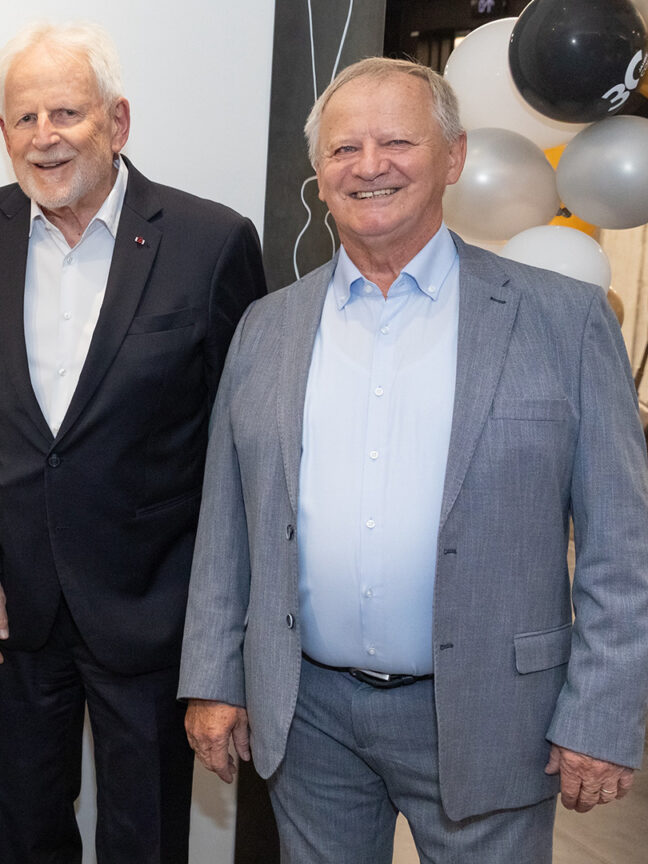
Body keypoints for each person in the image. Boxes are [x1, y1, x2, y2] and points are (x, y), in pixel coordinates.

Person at [180, 57, 648, 863]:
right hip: (310, 718)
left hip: (495, 716)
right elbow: (228, 522)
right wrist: (215, 679)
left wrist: (601, 714)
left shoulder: (563, 322)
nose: (369, 166)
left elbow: (622, 546)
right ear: (319, 175)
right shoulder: (267, 327)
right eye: (343, 149)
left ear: (454, 157)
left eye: (397, 141)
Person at [0, 22, 266, 863]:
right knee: (27, 832)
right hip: (19, 611)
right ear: (3, 132)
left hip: (154, 610)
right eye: (24, 118)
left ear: (117, 122)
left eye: (66, 113)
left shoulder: (211, 241)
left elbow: (243, 448)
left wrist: (222, 628)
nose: (44, 137)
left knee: (143, 839)